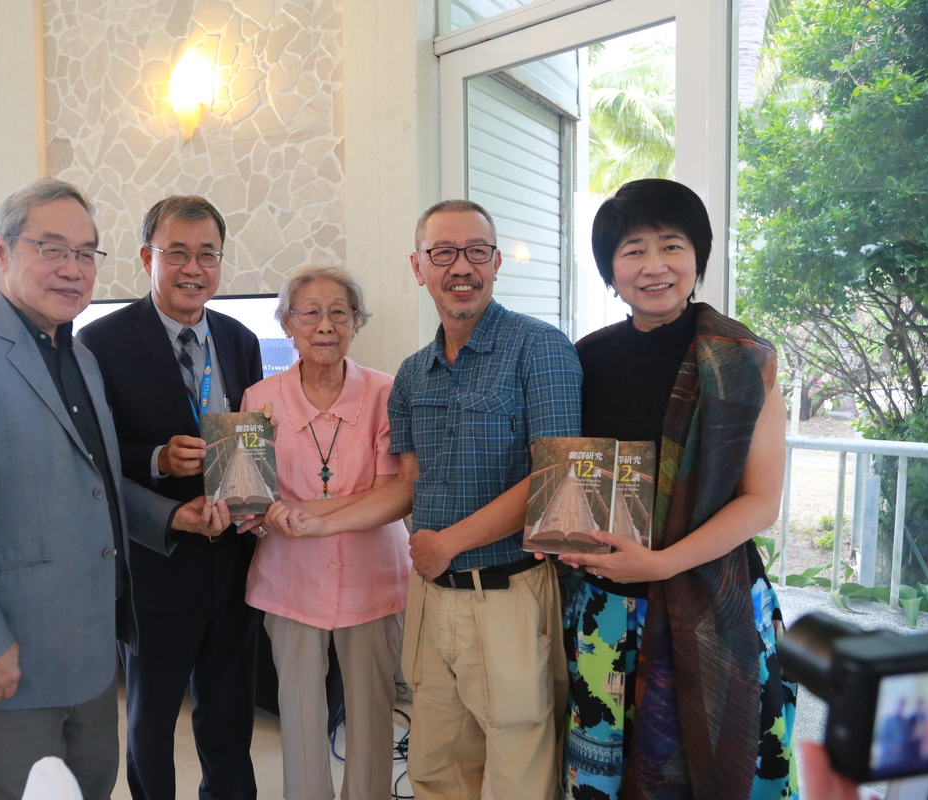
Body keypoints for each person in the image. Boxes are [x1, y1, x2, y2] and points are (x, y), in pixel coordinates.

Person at [0, 179, 230, 800]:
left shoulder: (80, 357)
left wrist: (170, 518)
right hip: (9, 664)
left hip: (93, 658)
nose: (72, 269)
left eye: (84, 253)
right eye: (51, 248)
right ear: (2, 251)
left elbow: (97, 488)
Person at [306, 199, 580, 799]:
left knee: (518, 768)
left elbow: (555, 479)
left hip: (508, 590)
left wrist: (448, 543)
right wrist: (313, 520)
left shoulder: (542, 349)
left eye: (476, 251)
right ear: (418, 265)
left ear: (497, 261)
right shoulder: (412, 374)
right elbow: (406, 484)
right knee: (435, 765)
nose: (462, 267)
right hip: (430, 597)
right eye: (443, 253)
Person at [559, 178, 794, 799]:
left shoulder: (744, 361)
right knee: (608, 771)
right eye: (633, 249)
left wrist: (658, 564)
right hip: (605, 609)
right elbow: (573, 477)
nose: (654, 265)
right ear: (610, 267)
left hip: (713, 596)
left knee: (718, 770)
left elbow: (760, 502)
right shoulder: (584, 358)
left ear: (699, 257)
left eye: (672, 245)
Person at [77, 195, 263, 800]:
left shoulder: (238, 339)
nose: (193, 268)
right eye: (176, 252)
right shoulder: (100, 342)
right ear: (145, 257)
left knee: (230, 714)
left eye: (207, 254)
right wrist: (157, 460)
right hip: (157, 560)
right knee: (151, 722)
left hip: (234, 559)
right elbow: (92, 456)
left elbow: (250, 438)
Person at [232, 265, 412, 800]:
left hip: (374, 580)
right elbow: (248, 493)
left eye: (340, 311)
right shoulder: (258, 396)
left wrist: (306, 513)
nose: (325, 324)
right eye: (309, 312)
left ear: (357, 321)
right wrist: (269, 513)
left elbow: (393, 488)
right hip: (289, 580)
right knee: (302, 719)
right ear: (287, 323)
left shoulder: (387, 392)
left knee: (373, 718)